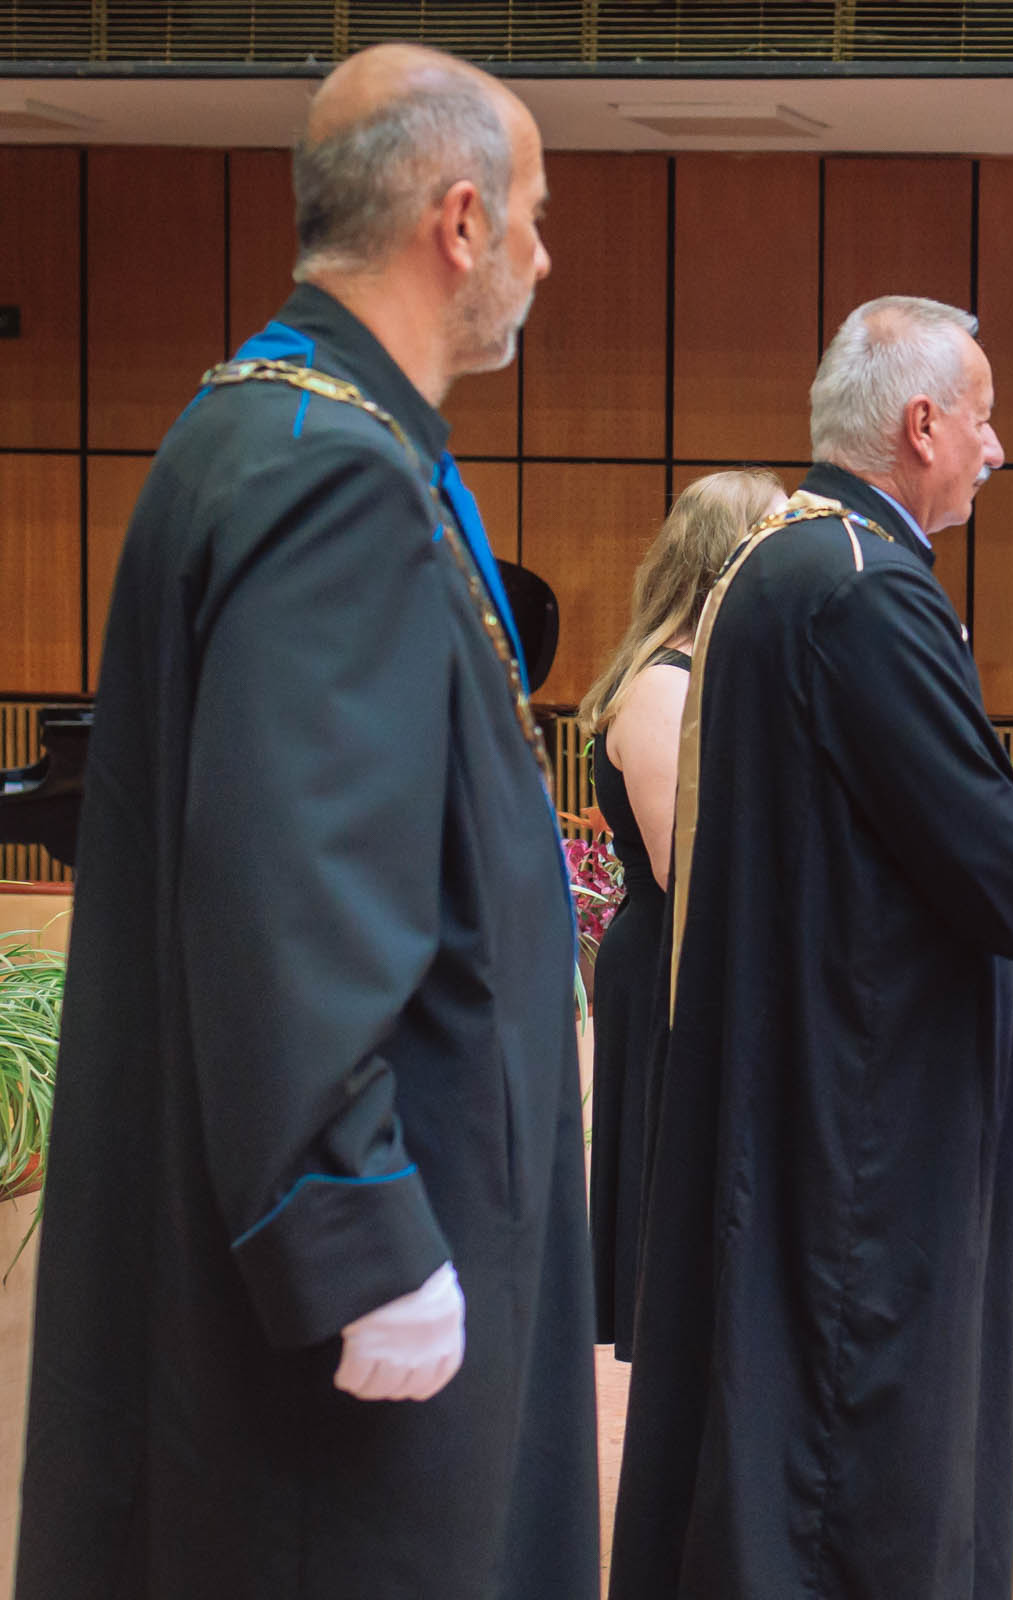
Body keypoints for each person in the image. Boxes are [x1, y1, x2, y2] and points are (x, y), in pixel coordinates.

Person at [16, 44, 600, 1600]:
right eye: (536, 216)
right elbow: (296, 883)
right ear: (459, 222)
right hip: (365, 1273)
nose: (546, 257)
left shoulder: (273, 422)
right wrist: (356, 1228)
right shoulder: (329, 473)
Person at [609, 295, 1013, 1600]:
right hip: (864, 1085)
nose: (999, 448)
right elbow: (967, 827)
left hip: (797, 1041)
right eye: (987, 420)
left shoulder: (781, 558)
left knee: (781, 1383)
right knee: (863, 1401)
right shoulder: (863, 585)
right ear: (923, 423)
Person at [579, 468, 785, 1359]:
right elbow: (684, 864)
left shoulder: (709, 672)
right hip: (672, 957)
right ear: (724, 560)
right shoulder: (666, 686)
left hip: (695, 952)